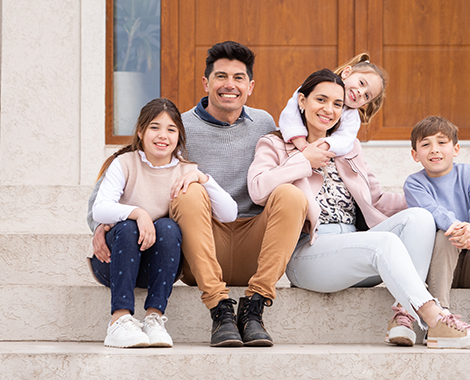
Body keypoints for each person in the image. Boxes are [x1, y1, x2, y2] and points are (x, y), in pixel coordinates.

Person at [248, 69, 470, 349]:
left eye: (337, 104)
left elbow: (377, 200)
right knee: (383, 242)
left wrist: (433, 202)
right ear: (302, 101)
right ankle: (435, 318)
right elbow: (257, 188)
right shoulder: (275, 144)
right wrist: (303, 160)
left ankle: (403, 316)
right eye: (321, 100)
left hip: (356, 246)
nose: (329, 110)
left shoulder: (349, 148)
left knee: (420, 217)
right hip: (309, 253)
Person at [91, 41, 308, 347]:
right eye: (221, 77)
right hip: (201, 247)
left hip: (253, 244)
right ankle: (220, 310)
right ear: (206, 83)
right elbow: (132, 167)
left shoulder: (264, 123)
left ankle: (255, 307)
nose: (229, 85)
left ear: (250, 86)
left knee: (290, 194)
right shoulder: (178, 127)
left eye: (238, 78)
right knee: (189, 192)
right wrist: (100, 223)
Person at [87, 98, 237, 348]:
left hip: (160, 267)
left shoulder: (186, 170)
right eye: (155, 127)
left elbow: (229, 213)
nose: (162, 136)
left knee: (169, 228)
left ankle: (154, 317)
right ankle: (119, 319)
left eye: (171, 129)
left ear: (179, 135)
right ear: (140, 131)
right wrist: (139, 213)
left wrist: (202, 178)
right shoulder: (124, 163)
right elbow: (100, 209)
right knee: (127, 226)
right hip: (113, 262)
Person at [403, 115, 470, 346]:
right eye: (425, 144)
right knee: (443, 235)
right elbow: (433, 211)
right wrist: (456, 227)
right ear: (415, 154)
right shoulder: (414, 183)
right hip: (440, 266)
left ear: (456, 148)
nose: (434, 150)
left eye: (442, 142)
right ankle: (440, 315)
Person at [278, 53, 387, 157]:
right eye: (361, 83)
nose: (360, 93)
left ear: (364, 104)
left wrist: (322, 146)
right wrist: (303, 146)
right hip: (297, 146)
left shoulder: (351, 116)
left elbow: (344, 140)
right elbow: (290, 117)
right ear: (346, 73)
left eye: (367, 96)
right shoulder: (316, 87)